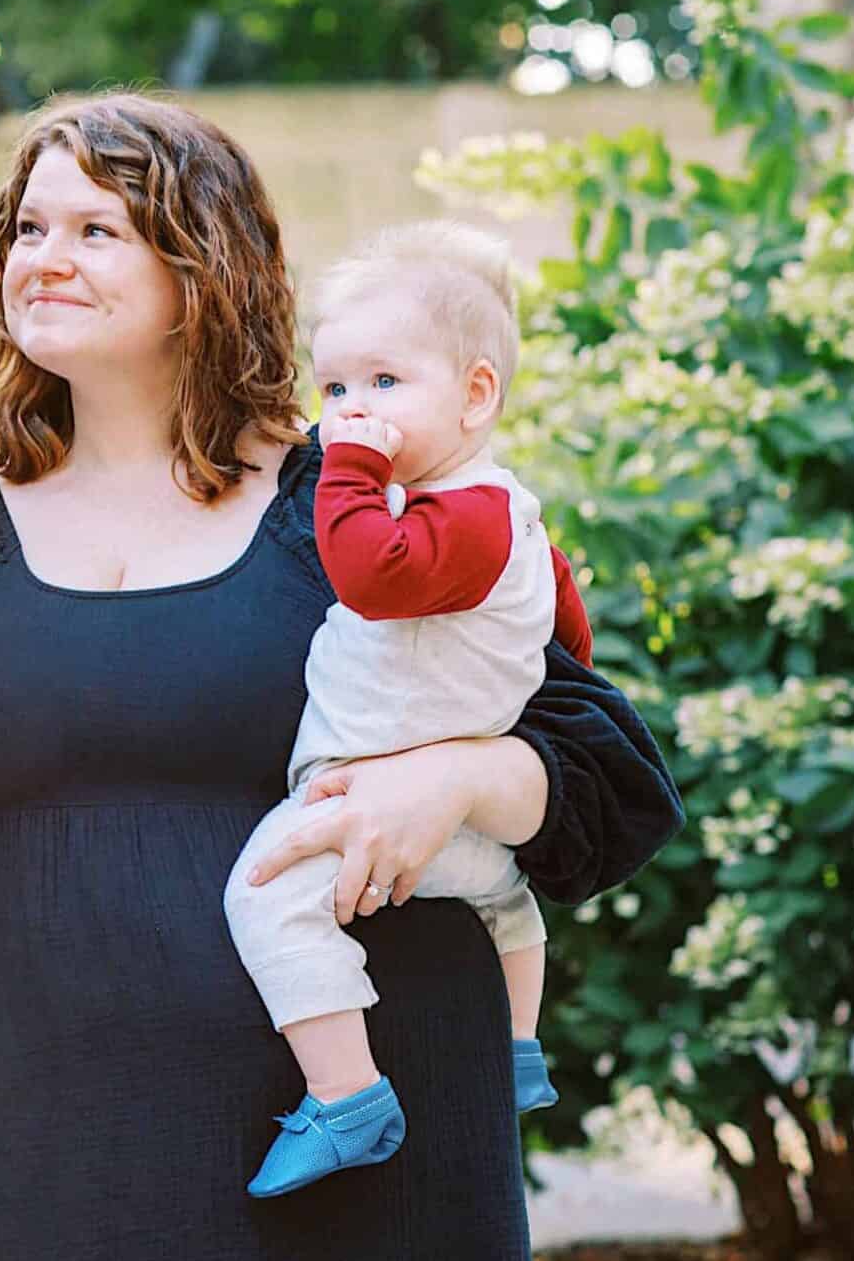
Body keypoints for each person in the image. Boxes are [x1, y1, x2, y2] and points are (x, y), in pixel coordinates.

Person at [0, 93, 681, 1261]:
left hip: (340, 1140)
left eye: (98, 226)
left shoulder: (354, 507)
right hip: (47, 1153)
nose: (44, 255)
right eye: (28, 226)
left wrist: (458, 774)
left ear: (202, 260)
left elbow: (608, 767)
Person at [221, 221, 592, 1199]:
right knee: (503, 897)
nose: (349, 411)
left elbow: (373, 578)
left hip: (373, 799)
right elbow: (568, 632)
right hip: (457, 826)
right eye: (334, 388)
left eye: (385, 384)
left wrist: (345, 474)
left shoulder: (458, 513)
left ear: (476, 394)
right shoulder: (504, 510)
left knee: (265, 894)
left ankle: (345, 1097)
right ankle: (517, 1049)